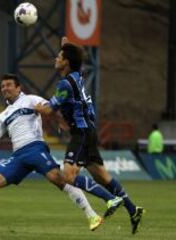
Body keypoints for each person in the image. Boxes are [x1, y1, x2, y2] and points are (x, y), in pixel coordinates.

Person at [0, 74, 105, 234]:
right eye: (2, 86)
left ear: (18, 88)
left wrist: (61, 122)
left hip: (35, 147)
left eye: (9, 85)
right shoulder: (3, 115)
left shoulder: (31, 100)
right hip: (18, 156)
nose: (5, 88)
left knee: (58, 179)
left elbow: (51, 109)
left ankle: (92, 215)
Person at [35, 37, 144, 234]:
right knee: (102, 176)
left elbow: (49, 109)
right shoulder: (77, 74)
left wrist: (34, 106)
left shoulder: (65, 85)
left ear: (66, 62)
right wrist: (67, 47)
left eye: (59, 56)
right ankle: (132, 209)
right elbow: (76, 58)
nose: (55, 58)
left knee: (67, 176)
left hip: (81, 133)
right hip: (90, 131)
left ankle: (110, 199)